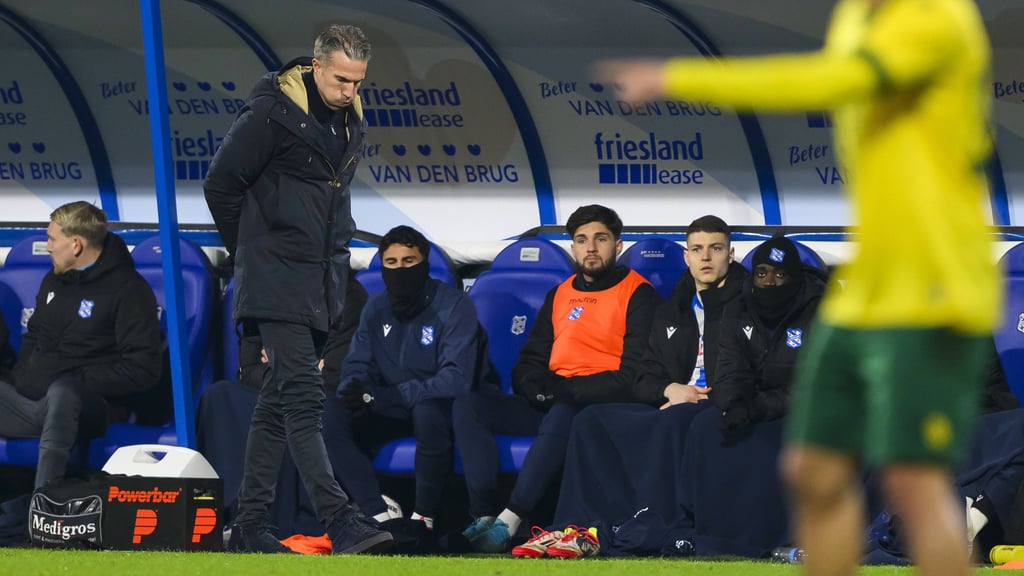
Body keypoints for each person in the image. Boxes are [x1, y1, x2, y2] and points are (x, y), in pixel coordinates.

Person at [597, 2, 1000, 575]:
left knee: (913, 480)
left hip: (933, 288)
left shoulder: (932, 17)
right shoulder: (855, 14)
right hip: (868, 292)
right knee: (813, 469)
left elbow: (836, 79)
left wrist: (677, 78)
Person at [203, 24, 392, 554]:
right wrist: (253, 254)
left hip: (320, 281)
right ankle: (340, 519)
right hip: (276, 277)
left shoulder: (350, 120)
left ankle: (248, 526)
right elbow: (220, 184)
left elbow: (331, 207)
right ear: (315, 66)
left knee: (276, 403)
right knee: (306, 400)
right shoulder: (271, 113)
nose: (349, 91)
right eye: (341, 80)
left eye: (358, 82)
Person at [452, 204, 660, 555]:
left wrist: (564, 392)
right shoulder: (560, 293)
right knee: (469, 405)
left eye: (600, 239)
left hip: (600, 406)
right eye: (581, 240)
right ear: (573, 248)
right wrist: (536, 388)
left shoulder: (638, 294)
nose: (591, 247)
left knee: (566, 410)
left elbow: (633, 375)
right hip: (556, 398)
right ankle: (483, 515)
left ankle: (511, 519)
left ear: (618, 245)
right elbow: (529, 361)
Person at [548, 215, 747, 538]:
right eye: (697, 249)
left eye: (716, 248)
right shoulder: (672, 309)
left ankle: (656, 528)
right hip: (673, 402)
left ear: (731, 254)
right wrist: (668, 389)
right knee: (591, 420)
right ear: (686, 257)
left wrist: (703, 395)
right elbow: (643, 376)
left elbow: (750, 370)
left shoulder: (748, 306)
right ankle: (579, 528)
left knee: (675, 422)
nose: (706, 257)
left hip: (718, 404)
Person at [327, 225, 499, 534]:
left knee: (428, 410)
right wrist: (354, 389)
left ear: (425, 263)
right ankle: (376, 513)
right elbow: (356, 363)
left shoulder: (455, 305)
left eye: (409, 261)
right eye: (391, 263)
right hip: (390, 406)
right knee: (330, 412)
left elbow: (456, 379)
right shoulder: (375, 306)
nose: (400, 270)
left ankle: (424, 517)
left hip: (444, 407)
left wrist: (391, 396)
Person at [664, 236, 826, 559]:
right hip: (753, 404)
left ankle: (773, 537)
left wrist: (757, 408)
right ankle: (703, 533)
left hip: (803, 411)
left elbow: (814, 386)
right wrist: (733, 403)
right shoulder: (738, 306)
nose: (770, 282)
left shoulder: (820, 311)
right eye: (762, 273)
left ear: (794, 277)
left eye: (780, 274)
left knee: (775, 439)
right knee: (704, 428)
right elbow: (728, 367)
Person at [0, 201, 163, 489]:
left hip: (92, 408)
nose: (48, 247)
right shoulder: (53, 281)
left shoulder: (129, 290)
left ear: (76, 245)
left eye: (52, 239)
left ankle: (45, 502)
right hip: (33, 403)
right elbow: (34, 337)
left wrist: (78, 380)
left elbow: (143, 369)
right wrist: (24, 376)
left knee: (63, 393)